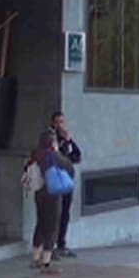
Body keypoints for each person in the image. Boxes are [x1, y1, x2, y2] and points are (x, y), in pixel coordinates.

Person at [28, 128, 75, 274]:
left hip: (39, 194)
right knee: (52, 227)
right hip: (52, 195)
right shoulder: (52, 156)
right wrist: (58, 152)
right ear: (52, 142)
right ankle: (46, 262)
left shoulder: (36, 154)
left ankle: (35, 258)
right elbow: (69, 167)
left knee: (40, 224)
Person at [50, 110, 83, 258]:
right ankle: (49, 246)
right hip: (55, 180)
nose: (60, 125)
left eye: (62, 122)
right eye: (57, 122)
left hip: (67, 180)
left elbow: (77, 156)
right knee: (54, 213)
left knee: (65, 212)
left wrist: (69, 141)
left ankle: (61, 243)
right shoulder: (51, 139)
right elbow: (56, 157)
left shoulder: (67, 139)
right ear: (53, 123)